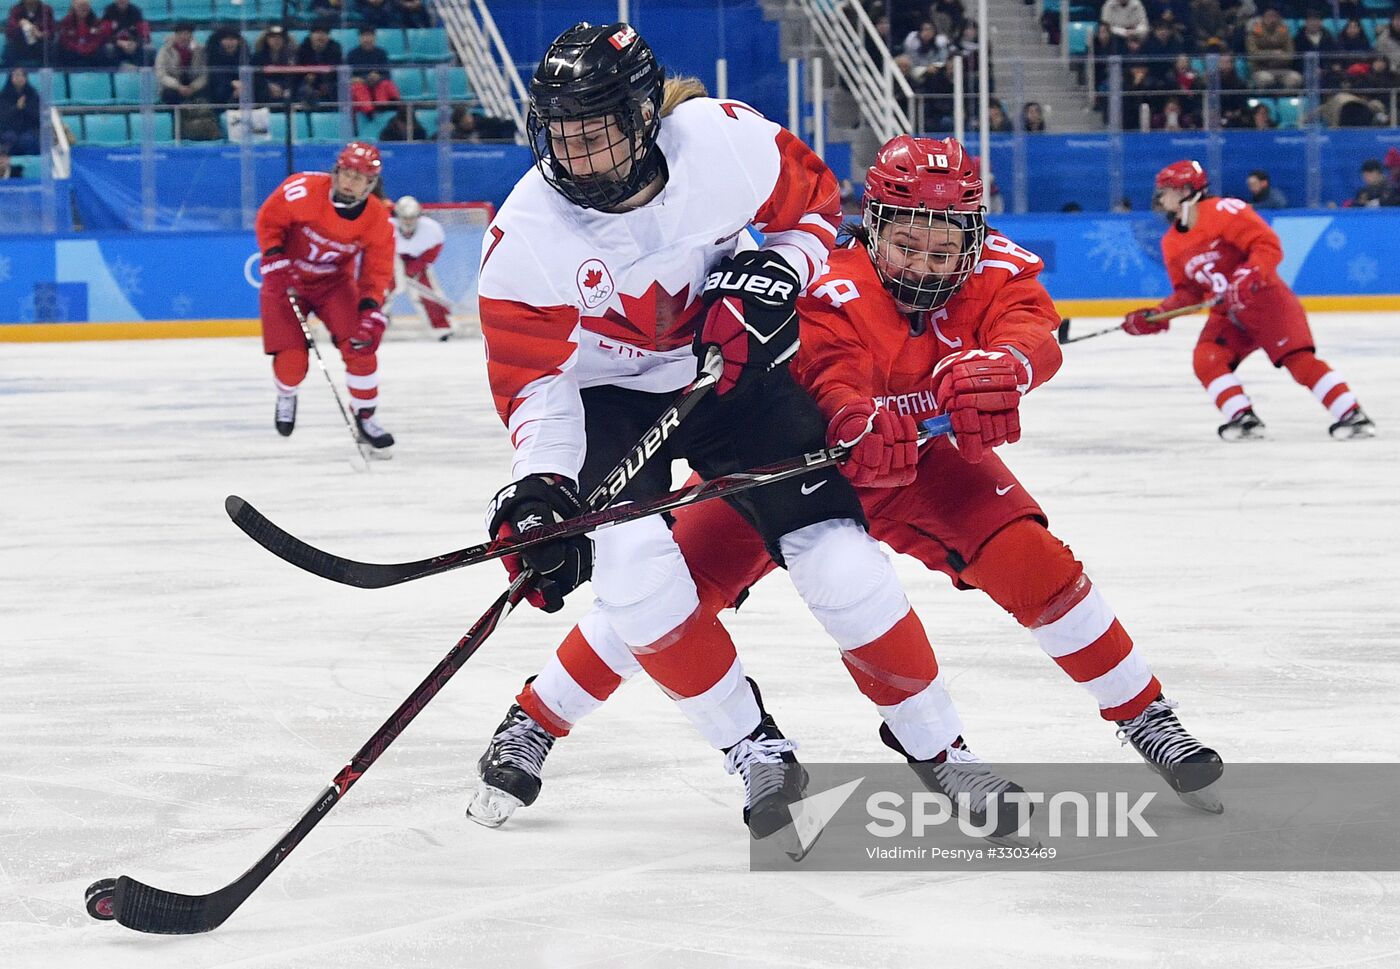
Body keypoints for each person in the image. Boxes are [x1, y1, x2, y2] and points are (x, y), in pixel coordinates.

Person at [468, 133, 1228, 834]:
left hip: (927, 469)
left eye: (943, 247)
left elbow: (1031, 325)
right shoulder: (831, 280)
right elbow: (827, 371)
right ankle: (537, 715)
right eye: (906, 242)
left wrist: (1007, 367)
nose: (926, 263)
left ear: (974, 237)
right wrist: (851, 419)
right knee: (657, 600)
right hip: (808, 463)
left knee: (1036, 563)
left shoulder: (995, 269)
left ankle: (1146, 714)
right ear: (873, 226)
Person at [472, 24, 1021, 848]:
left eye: (596, 135)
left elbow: (816, 213)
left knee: (841, 557)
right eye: (561, 137)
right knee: (635, 579)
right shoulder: (525, 239)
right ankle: (752, 745)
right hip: (603, 399)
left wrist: (774, 273)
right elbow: (536, 384)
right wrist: (545, 484)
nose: (575, 158)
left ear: (644, 117)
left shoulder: (724, 142)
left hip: (727, 364)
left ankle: (940, 745)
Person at [1124, 160, 1376, 441]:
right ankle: (1243, 418)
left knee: (1298, 361)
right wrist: (1158, 315)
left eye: (1166, 189)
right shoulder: (1172, 242)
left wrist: (1247, 275)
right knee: (1207, 358)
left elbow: (1267, 245)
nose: (1160, 197)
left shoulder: (1223, 210)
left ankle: (1353, 414)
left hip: (1266, 301)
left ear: (1186, 190)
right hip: (1229, 314)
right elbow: (1190, 293)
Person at [255, 142, 397, 453]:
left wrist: (371, 307)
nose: (350, 181)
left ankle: (365, 418)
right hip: (287, 280)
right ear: (335, 171)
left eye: (360, 178)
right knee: (292, 363)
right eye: (346, 173)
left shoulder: (377, 219)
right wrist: (275, 258)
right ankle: (286, 394)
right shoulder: (302, 189)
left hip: (334, 284)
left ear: (371, 184)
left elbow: (378, 269)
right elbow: (269, 220)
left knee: (361, 346)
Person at [391, 195, 453, 338]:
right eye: (405, 218)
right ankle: (375, 324)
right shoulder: (386, 226)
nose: (408, 222)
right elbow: (379, 250)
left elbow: (435, 249)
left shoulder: (431, 229)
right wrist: (397, 269)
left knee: (427, 292)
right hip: (392, 261)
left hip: (419, 261)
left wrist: (415, 267)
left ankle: (441, 326)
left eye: (412, 218)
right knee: (381, 292)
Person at [1246, 7, 1302, 90]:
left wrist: (1276, 57)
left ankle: (1285, 100)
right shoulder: (1254, 32)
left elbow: (1290, 55)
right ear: (1263, 18)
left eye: (1274, 16)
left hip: (1282, 69)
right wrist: (1273, 53)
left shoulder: (1284, 31)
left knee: (1296, 78)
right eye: (1268, 16)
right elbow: (1253, 54)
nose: (1272, 19)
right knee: (1266, 79)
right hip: (1261, 69)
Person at [347, 26, 397, 117]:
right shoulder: (352, 54)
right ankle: (369, 111)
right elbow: (348, 77)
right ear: (359, 38)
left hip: (377, 85)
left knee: (386, 83)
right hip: (361, 85)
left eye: (369, 36)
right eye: (364, 36)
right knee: (357, 87)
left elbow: (387, 75)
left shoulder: (382, 53)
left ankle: (386, 106)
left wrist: (378, 77)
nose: (367, 39)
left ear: (374, 37)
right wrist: (360, 79)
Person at [154, 21, 205, 105]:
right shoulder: (165, 50)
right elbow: (161, 74)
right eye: (181, 34)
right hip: (173, 87)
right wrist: (178, 87)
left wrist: (193, 87)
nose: (184, 37)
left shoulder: (201, 51)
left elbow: (205, 74)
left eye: (187, 34)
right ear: (175, 35)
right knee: (169, 94)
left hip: (193, 86)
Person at [294, 21, 341, 108]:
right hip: (308, 84)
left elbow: (338, 71)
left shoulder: (335, 49)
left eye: (324, 33)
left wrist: (328, 82)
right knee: (304, 90)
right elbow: (296, 74)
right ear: (311, 35)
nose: (321, 36)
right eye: (317, 33)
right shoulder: (302, 50)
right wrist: (307, 78)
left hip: (330, 83)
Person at [54, 0, 110, 67]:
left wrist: (87, 48)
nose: (83, 9)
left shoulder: (96, 22)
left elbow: (98, 39)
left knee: (103, 50)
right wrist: (77, 47)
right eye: (80, 6)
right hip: (73, 53)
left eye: (85, 6)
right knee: (59, 48)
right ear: (74, 8)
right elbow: (65, 40)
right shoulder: (66, 21)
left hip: (90, 53)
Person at [204, 24, 247, 106]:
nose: (230, 42)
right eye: (226, 39)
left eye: (233, 39)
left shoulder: (245, 56)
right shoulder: (212, 57)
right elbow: (214, 77)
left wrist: (242, 85)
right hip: (220, 91)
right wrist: (231, 83)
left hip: (242, 88)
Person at [0, 64, 39, 153]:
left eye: (23, 75)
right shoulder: (4, 96)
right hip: (8, 129)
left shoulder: (33, 94)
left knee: (28, 139)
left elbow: (37, 116)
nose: (20, 78)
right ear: (11, 77)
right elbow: (3, 117)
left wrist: (24, 108)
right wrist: (16, 108)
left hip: (29, 129)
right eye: (17, 75)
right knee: (9, 137)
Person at [250, 23, 292, 104]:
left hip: (284, 91)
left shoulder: (291, 57)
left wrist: (282, 87)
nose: (276, 40)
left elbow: (293, 77)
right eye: (273, 37)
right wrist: (269, 85)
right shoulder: (258, 56)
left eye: (280, 37)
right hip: (263, 92)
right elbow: (254, 76)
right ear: (267, 39)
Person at [3, 0, 53, 67]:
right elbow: (9, 31)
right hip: (21, 44)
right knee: (9, 48)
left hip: (39, 44)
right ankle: (11, 74)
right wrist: (20, 25)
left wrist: (41, 34)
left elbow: (52, 31)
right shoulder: (15, 10)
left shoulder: (46, 10)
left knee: (50, 48)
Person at [101, 0, 148, 69]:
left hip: (132, 43)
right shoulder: (108, 11)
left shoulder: (136, 11)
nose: (122, 1)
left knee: (145, 50)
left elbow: (143, 33)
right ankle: (115, 73)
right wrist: (118, 42)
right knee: (109, 49)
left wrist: (135, 43)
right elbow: (104, 34)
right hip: (115, 43)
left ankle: (138, 72)